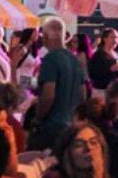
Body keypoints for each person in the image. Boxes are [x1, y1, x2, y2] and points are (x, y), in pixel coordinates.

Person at [27, 18, 84, 152]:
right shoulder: (75, 60)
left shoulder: (50, 59)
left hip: (52, 126)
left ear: (45, 37)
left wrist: (38, 117)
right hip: (71, 124)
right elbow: (82, 94)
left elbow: (48, 96)